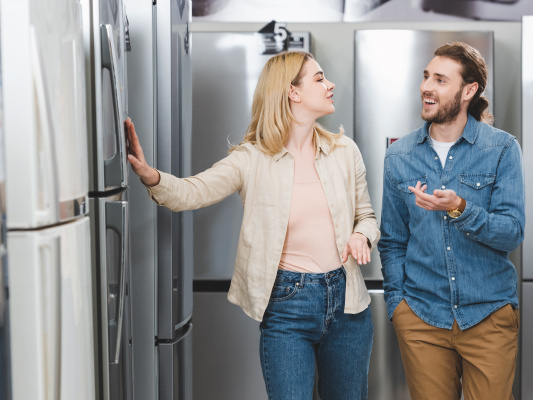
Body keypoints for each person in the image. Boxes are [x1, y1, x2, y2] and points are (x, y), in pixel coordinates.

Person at [126, 51, 380, 400]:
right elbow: (191, 192)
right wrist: (152, 177)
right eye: (319, 78)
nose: (330, 84)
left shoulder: (344, 151)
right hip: (288, 305)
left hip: (349, 305)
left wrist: (360, 235)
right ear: (292, 92)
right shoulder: (251, 159)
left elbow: (366, 216)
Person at [378, 42, 525, 400]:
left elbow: (512, 232)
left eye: (441, 80)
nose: (427, 86)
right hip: (421, 318)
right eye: (426, 76)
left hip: (488, 316)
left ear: (468, 91)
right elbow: (393, 240)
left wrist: (461, 207)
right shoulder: (398, 156)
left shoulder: (502, 149)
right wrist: (398, 305)